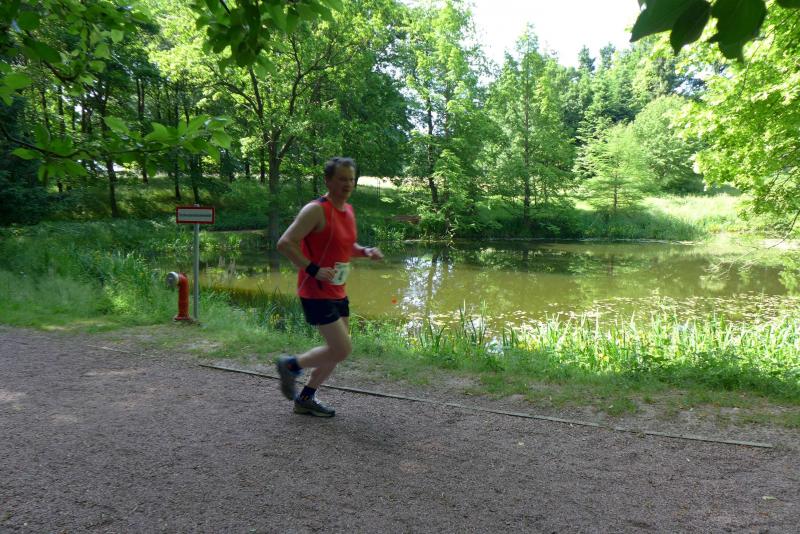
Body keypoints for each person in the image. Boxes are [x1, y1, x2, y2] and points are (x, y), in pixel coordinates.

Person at [275, 157, 383, 417]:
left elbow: (345, 246)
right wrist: (313, 269)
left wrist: (365, 251)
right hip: (316, 290)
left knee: (337, 352)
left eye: (351, 179)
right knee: (342, 349)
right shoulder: (316, 210)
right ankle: (291, 366)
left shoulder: (348, 210)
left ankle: (306, 398)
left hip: (337, 290)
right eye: (341, 179)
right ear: (328, 181)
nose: (347, 184)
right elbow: (285, 243)